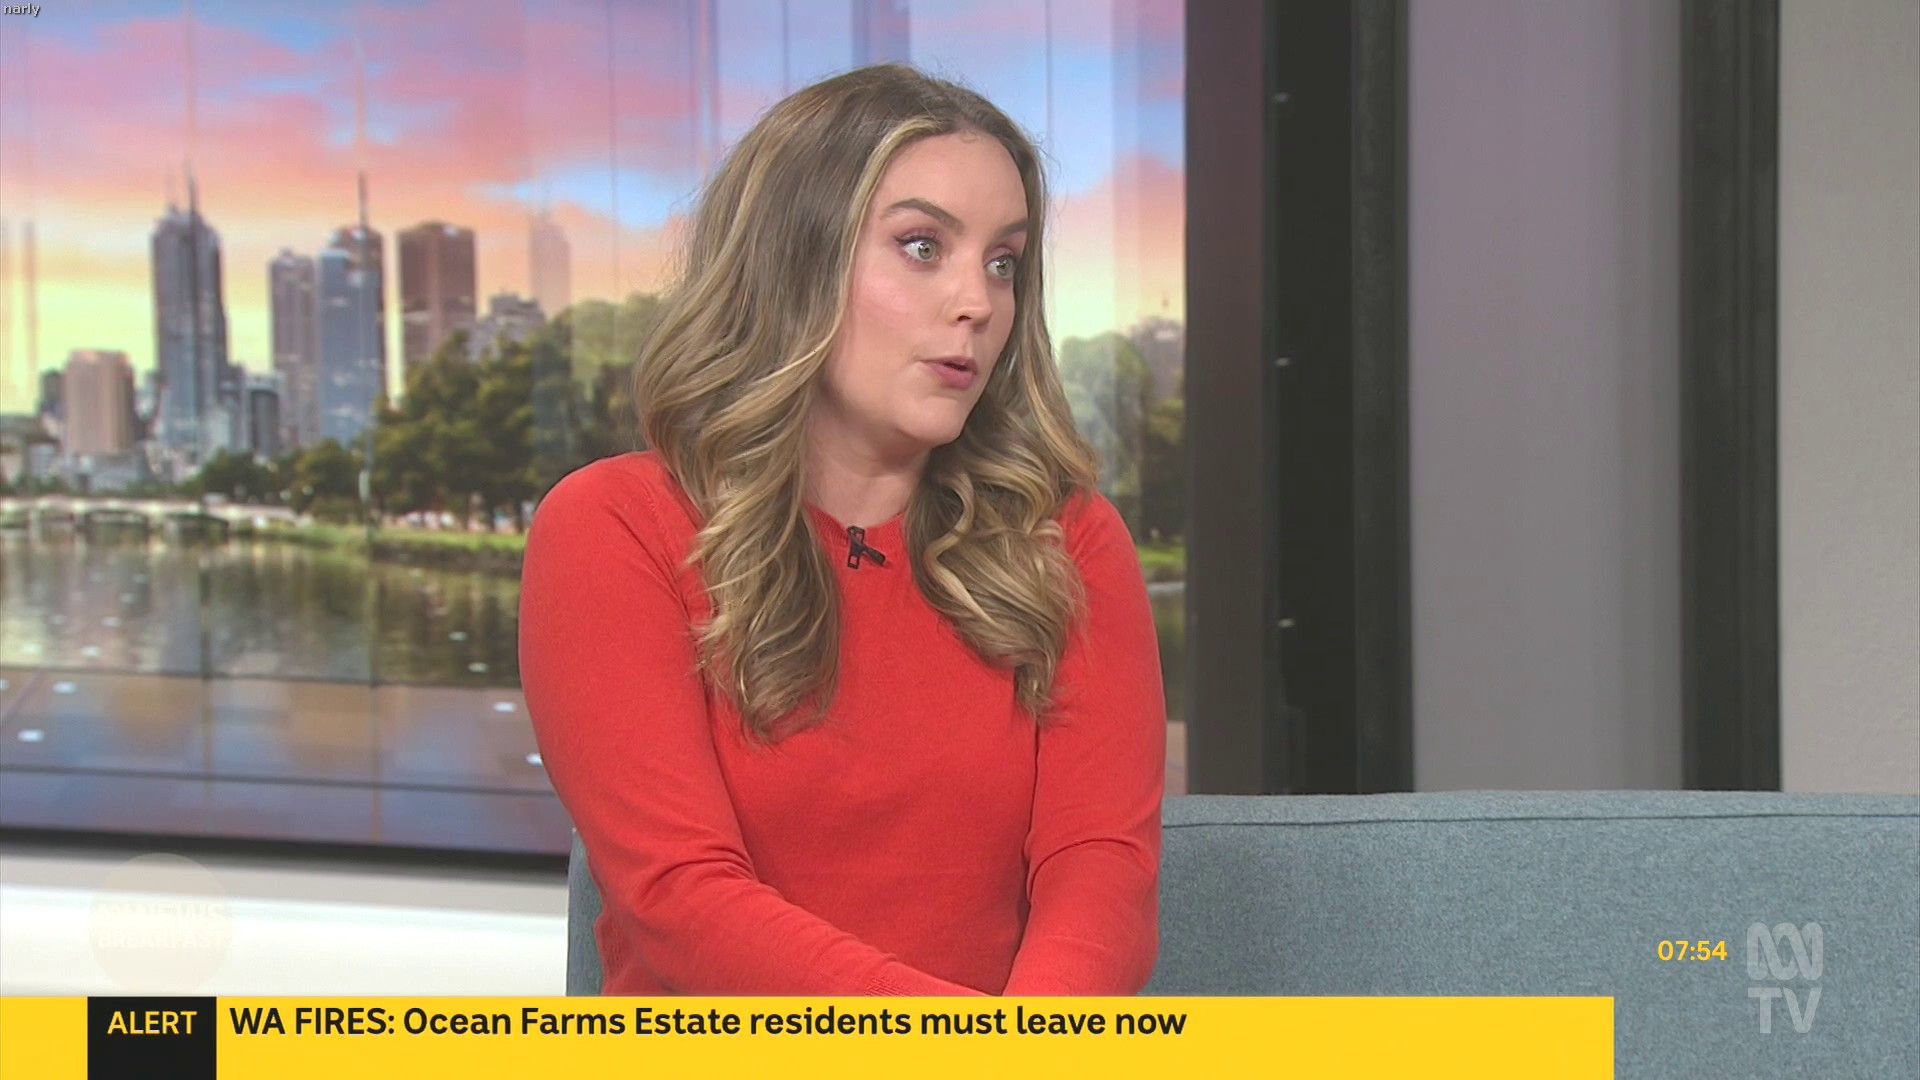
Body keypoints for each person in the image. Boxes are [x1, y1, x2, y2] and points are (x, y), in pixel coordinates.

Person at [520, 63, 1165, 997]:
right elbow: (680, 901)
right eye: (921, 246)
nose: (978, 302)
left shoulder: (1067, 538)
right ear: (795, 261)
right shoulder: (614, 527)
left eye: (1003, 262)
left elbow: (1100, 868)